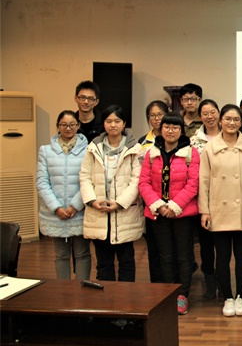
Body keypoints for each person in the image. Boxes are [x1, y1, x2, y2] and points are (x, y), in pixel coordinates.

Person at [139, 112, 200, 315]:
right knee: (164, 256)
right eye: (167, 126)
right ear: (161, 128)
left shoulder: (191, 153)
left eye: (175, 127)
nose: (170, 131)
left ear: (182, 131)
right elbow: (144, 182)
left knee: (183, 255)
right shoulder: (151, 152)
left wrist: (174, 206)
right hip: (158, 213)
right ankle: (168, 294)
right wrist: (159, 206)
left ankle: (182, 295)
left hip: (183, 214)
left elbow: (193, 184)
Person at [199, 104, 242, 317]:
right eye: (228, 119)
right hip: (218, 208)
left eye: (236, 119)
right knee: (221, 256)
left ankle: (240, 296)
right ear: (221, 121)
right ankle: (227, 297)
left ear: (241, 122)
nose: (232, 123)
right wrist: (205, 211)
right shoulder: (210, 147)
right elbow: (203, 181)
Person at [80, 105, 143, 283]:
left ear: (124, 124)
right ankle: (106, 297)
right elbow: (84, 176)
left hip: (124, 212)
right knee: (103, 262)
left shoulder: (135, 148)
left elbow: (137, 180)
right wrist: (92, 200)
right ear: (104, 124)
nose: (113, 125)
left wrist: (120, 203)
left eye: (117, 121)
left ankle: (126, 297)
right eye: (109, 121)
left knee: (126, 261)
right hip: (98, 211)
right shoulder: (93, 147)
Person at [36, 110, 91, 280]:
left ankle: (83, 288)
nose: (68, 128)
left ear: (78, 126)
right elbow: (42, 182)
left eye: (72, 124)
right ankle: (63, 290)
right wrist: (56, 207)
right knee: (61, 255)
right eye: (64, 125)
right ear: (58, 126)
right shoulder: (46, 151)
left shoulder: (88, 150)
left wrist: (75, 206)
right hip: (55, 213)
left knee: (82, 253)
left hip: (80, 211)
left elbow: (90, 181)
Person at [190, 99, 221, 299]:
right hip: (203, 198)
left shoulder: (229, 135)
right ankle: (210, 282)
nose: (210, 117)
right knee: (206, 244)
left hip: (226, 198)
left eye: (213, 112)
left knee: (223, 245)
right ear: (200, 117)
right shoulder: (194, 141)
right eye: (205, 113)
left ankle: (223, 282)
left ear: (219, 113)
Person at [137, 100, 169, 284]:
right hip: (149, 201)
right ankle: (156, 284)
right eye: (152, 115)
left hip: (173, 202)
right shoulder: (142, 142)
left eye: (160, 115)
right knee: (154, 246)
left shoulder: (176, 139)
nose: (156, 119)